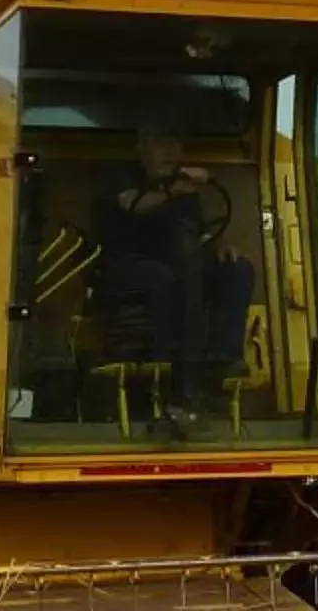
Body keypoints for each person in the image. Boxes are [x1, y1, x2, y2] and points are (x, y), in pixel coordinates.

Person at [96, 130, 253, 425]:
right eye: (159, 142)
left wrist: (219, 245)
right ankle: (168, 364)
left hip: (180, 266)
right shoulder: (120, 177)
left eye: (174, 142)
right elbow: (132, 204)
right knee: (165, 278)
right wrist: (174, 190)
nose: (169, 151)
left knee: (237, 269)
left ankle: (222, 360)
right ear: (141, 148)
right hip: (126, 268)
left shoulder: (184, 191)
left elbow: (196, 232)